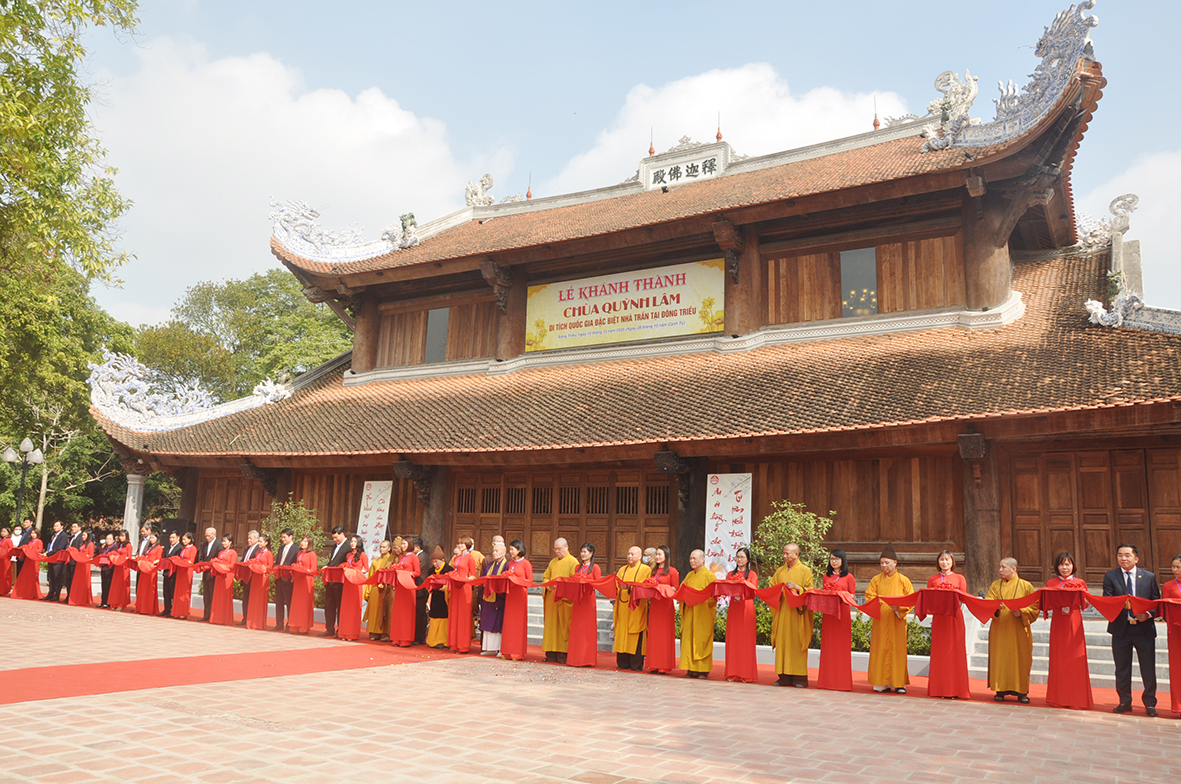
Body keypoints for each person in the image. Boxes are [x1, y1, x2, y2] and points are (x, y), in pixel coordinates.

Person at [1102, 543, 1161, 716]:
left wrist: (1148, 615)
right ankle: (1124, 702)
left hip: (1144, 630)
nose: (1123, 558)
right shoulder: (1111, 576)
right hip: (1121, 630)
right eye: (1120, 555)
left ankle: (1150, 703)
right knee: (1122, 668)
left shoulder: (1149, 577)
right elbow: (1108, 600)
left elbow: (1156, 603)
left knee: (1148, 668)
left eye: (1127, 555)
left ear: (1136, 558)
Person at [985, 557, 1039, 703]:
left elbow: (1035, 606)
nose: (1000, 570)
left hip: (1019, 630)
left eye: (1003, 567)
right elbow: (989, 602)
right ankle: (1000, 690)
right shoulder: (996, 585)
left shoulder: (1026, 586)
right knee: (1000, 658)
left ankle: (1022, 692)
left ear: (1013, 569)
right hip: (1000, 629)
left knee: (1021, 658)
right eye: (999, 567)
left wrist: (1023, 612)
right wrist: (994, 608)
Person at [1044, 551, 1092, 710]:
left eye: (1068, 564)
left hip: (1074, 621)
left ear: (1073, 566)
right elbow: (1047, 603)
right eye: (1061, 564)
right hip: (1059, 623)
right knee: (1059, 659)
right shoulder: (1051, 583)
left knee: (1076, 659)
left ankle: (1077, 698)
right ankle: (1058, 697)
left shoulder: (1080, 582)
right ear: (1057, 567)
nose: (1065, 567)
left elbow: (1085, 604)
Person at [865, 544, 914, 694]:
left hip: (897, 621)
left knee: (897, 651)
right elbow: (869, 596)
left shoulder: (903, 580)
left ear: (895, 563)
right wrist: (877, 603)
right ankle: (881, 683)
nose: (884, 566)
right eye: (882, 563)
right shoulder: (876, 580)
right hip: (880, 621)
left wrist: (898, 608)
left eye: (887, 562)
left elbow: (910, 599)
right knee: (880, 649)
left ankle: (899, 683)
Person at [925, 550, 971, 700]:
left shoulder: (960, 578)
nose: (944, 562)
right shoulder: (933, 579)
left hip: (954, 617)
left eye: (947, 559)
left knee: (955, 651)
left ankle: (956, 689)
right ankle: (940, 688)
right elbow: (929, 597)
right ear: (938, 562)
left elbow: (964, 598)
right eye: (942, 559)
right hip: (939, 618)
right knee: (940, 652)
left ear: (952, 562)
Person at [770, 543, 813, 687]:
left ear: (796, 554)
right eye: (783, 553)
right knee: (783, 642)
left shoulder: (805, 571)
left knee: (797, 642)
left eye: (787, 553)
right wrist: (779, 592)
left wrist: (797, 588)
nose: (784, 556)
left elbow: (811, 591)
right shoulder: (780, 571)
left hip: (797, 614)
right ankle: (784, 676)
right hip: (783, 612)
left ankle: (800, 677)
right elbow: (772, 587)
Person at [817, 549, 856, 691]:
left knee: (841, 647)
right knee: (828, 646)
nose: (834, 561)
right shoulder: (826, 577)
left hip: (842, 614)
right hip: (829, 614)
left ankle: (842, 682)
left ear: (843, 561)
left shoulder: (849, 577)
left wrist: (841, 594)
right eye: (832, 559)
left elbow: (852, 596)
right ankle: (826, 681)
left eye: (837, 559)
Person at [679, 549, 717, 679]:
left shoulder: (709, 576)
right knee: (689, 639)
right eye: (690, 558)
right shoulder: (689, 575)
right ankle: (691, 668)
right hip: (690, 613)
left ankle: (703, 670)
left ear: (703, 559)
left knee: (701, 641)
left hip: (702, 614)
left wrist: (699, 596)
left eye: (695, 558)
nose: (692, 561)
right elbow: (681, 591)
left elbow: (714, 596)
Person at [614, 545, 652, 671]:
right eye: (628, 554)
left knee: (635, 633)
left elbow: (645, 587)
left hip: (636, 608)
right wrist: (621, 587)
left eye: (633, 554)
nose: (630, 556)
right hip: (623, 607)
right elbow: (616, 584)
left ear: (640, 556)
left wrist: (630, 588)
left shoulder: (645, 570)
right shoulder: (622, 570)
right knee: (622, 634)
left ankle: (636, 664)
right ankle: (623, 662)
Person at [724, 546, 759, 683]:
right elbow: (726, 590)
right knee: (733, 640)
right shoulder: (730, 574)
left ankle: (746, 674)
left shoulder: (752, 575)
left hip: (746, 608)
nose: (739, 559)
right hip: (734, 608)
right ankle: (732, 673)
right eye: (737, 557)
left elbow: (753, 591)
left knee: (746, 641)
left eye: (742, 557)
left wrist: (743, 583)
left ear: (748, 559)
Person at [542, 537, 579, 663]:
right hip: (552, 600)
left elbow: (574, 581)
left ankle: (563, 655)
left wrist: (560, 588)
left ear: (567, 547)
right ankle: (550, 654)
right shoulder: (552, 562)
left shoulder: (573, 562)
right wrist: (548, 585)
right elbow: (546, 577)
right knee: (551, 628)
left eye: (559, 549)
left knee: (563, 628)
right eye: (555, 549)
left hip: (564, 600)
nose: (557, 551)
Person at [567, 542, 602, 668]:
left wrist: (585, 580)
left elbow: (597, 584)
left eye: (585, 552)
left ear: (591, 553)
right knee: (577, 630)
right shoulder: (577, 567)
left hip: (588, 600)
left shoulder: (595, 568)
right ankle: (575, 658)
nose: (583, 554)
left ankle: (587, 659)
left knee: (587, 630)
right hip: (578, 600)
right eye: (581, 551)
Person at [647, 545, 679, 674]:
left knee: (664, 635)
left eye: (660, 554)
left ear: (666, 556)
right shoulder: (653, 571)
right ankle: (654, 664)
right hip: (655, 604)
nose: (657, 557)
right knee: (654, 634)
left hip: (665, 605)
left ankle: (664, 665)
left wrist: (661, 588)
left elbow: (675, 589)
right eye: (657, 554)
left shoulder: (672, 571)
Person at [501, 540, 533, 660]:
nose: (510, 552)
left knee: (518, 624)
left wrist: (515, 579)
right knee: (509, 623)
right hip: (511, 595)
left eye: (512, 549)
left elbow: (529, 581)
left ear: (519, 550)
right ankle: (507, 651)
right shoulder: (510, 563)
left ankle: (517, 652)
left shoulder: (526, 564)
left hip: (520, 595)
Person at [389, 536, 421, 646]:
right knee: (398, 612)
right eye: (402, 544)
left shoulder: (414, 557)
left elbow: (417, 572)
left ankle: (405, 639)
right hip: (400, 586)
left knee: (406, 613)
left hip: (408, 585)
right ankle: (397, 637)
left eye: (404, 544)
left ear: (410, 544)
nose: (402, 546)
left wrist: (407, 574)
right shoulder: (402, 557)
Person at [479, 540, 508, 656]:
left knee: (498, 623)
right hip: (488, 598)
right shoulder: (491, 565)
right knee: (488, 623)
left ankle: (499, 648)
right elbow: (483, 577)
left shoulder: (506, 565)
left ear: (503, 553)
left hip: (499, 599)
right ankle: (489, 648)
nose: (494, 553)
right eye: (493, 551)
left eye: (497, 551)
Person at [448, 537, 477, 653]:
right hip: (456, 588)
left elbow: (474, 575)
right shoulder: (457, 557)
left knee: (463, 616)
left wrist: (465, 580)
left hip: (465, 588)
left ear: (468, 545)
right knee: (455, 614)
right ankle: (454, 643)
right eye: (458, 543)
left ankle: (463, 645)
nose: (460, 545)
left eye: (462, 544)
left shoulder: (470, 557)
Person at [337, 535, 368, 641]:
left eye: (354, 541)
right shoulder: (348, 555)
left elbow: (366, 569)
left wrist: (356, 572)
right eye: (351, 541)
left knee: (354, 607)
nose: (352, 543)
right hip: (347, 582)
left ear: (359, 543)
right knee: (346, 607)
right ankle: (344, 632)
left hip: (356, 582)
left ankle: (352, 633)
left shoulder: (363, 555)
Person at [1161, 554, 1181, 717]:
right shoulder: (1168, 586)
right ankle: (1179, 706)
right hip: (1175, 631)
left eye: (1178, 567)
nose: (1175, 570)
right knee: (1177, 667)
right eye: (1173, 567)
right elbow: (1164, 610)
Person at [321, 526, 349, 638]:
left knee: (339, 605)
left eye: (336, 537)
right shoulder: (334, 546)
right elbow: (332, 561)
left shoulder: (348, 547)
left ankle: (340, 629)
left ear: (342, 534)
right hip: (331, 579)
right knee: (329, 605)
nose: (335, 540)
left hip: (339, 581)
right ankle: (329, 628)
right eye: (333, 538)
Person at [287, 536, 318, 635]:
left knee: (304, 604)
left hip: (306, 581)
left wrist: (305, 571)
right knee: (297, 604)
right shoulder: (299, 553)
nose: (303, 543)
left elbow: (314, 569)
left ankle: (304, 628)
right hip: (298, 581)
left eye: (305, 541)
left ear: (309, 543)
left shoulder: (312, 554)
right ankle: (295, 626)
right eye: (302, 541)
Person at [365, 540, 394, 641]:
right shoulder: (375, 561)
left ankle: (384, 632)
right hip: (375, 588)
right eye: (381, 547)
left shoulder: (391, 560)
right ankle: (373, 632)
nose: (381, 549)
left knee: (384, 610)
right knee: (374, 610)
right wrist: (367, 591)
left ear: (389, 548)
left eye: (384, 547)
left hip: (386, 588)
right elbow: (371, 576)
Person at [425, 546, 453, 648]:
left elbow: (452, 583)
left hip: (444, 597)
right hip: (435, 596)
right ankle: (433, 640)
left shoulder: (449, 569)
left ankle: (443, 641)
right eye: (433, 562)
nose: (435, 564)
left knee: (444, 618)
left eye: (437, 562)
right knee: (434, 617)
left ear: (443, 560)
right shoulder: (431, 571)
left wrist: (445, 588)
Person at [244, 534, 273, 630]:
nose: (259, 543)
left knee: (260, 600)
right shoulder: (257, 553)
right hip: (255, 576)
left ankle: (259, 623)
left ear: (266, 543)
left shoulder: (269, 554)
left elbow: (270, 567)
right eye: (259, 541)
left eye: (261, 541)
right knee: (253, 599)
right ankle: (251, 622)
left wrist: (261, 567)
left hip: (263, 578)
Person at [209, 534, 239, 626]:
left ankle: (225, 618)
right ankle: (217, 617)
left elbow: (232, 565)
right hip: (219, 576)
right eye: (222, 541)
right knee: (218, 596)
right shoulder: (221, 552)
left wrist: (222, 566)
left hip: (227, 576)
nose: (223, 543)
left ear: (230, 542)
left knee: (225, 597)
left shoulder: (233, 553)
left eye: (225, 541)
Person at [272, 528, 298, 631]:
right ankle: (279, 623)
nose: (282, 539)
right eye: (282, 537)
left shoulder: (296, 549)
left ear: (290, 536)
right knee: (279, 602)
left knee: (289, 602)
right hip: (279, 578)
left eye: (284, 537)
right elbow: (278, 561)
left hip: (288, 579)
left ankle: (289, 624)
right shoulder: (281, 548)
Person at [169, 532, 198, 619]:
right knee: (178, 591)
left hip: (187, 571)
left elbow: (191, 561)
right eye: (183, 539)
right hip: (180, 571)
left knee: (184, 592)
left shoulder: (193, 548)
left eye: (185, 539)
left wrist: (181, 562)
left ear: (190, 539)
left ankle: (183, 612)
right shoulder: (183, 548)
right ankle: (176, 611)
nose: (183, 541)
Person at [134, 532, 163, 615]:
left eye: (153, 538)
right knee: (143, 589)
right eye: (150, 538)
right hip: (145, 568)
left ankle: (148, 608)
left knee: (149, 590)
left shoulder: (158, 548)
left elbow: (159, 559)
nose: (151, 539)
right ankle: (141, 607)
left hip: (151, 570)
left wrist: (152, 563)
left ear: (157, 538)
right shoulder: (149, 547)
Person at [197, 527, 222, 622]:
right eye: (206, 536)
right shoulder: (205, 544)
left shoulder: (219, 545)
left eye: (209, 535)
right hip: (205, 572)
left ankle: (212, 615)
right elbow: (202, 556)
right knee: (206, 595)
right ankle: (206, 615)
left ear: (214, 535)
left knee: (212, 594)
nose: (207, 537)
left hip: (213, 573)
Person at [236, 530, 261, 627]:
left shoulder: (258, 550)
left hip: (252, 577)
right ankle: (245, 617)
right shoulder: (247, 549)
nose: (248, 540)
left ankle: (250, 618)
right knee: (245, 598)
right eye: (248, 538)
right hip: (245, 577)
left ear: (257, 539)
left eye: (251, 538)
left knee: (251, 598)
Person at [66, 530, 94, 607]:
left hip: (85, 564)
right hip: (79, 563)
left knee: (83, 581)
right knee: (77, 581)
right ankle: (76, 598)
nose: (83, 537)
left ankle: (81, 599)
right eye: (82, 535)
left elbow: (91, 555)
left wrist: (82, 556)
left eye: (84, 535)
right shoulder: (82, 544)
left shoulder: (90, 544)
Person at [42, 521, 68, 602]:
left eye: (57, 526)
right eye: (54, 526)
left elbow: (59, 548)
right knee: (51, 577)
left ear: (62, 526)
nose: (55, 527)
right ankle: (50, 593)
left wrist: (49, 554)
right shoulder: (54, 535)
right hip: (51, 558)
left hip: (57, 559)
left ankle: (56, 594)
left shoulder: (63, 535)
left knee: (57, 577)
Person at [107, 530, 133, 610]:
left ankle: (121, 604)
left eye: (123, 536)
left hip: (124, 567)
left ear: (126, 537)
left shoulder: (128, 545)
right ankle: (114, 603)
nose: (121, 538)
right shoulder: (118, 545)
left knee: (122, 586)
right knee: (116, 585)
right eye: (120, 536)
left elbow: (129, 557)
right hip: (118, 566)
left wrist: (123, 559)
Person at [412, 536, 430, 644]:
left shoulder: (422, 557)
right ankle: (418, 636)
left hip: (421, 589)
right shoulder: (420, 556)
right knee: (418, 613)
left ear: (418, 547)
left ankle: (420, 637)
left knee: (420, 614)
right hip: (418, 588)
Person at [62, 522, 84, 602]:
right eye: (72, 527)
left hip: (74, 561)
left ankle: (71, 597)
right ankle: (68, 596)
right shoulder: (72, 537)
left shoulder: (80, 537)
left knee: (72, 579)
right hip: (69, 560)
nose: (73, 528)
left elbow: (78, 549)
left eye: (75, 527)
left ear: (79, 528)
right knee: (68, 579)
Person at [97, 534, 118, 608]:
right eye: (107, 539)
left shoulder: (114, 548)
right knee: (103, 585)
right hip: (104, 567)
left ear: (113, 540)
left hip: (110, 568)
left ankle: (107, 602)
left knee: (108, 585)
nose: (108, 540)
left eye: (110, 539)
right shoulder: (105, 547)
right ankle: (103, 601)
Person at [0, 527, 13, 597]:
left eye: (4, 531)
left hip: (5, 559)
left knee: (5, 574)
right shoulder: (1, 540)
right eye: (2, 531)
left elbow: (10, 549)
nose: (2, 533)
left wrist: (5, 554)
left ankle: (4, 590)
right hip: (0, 559)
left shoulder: (8, 540)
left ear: (8, 533)